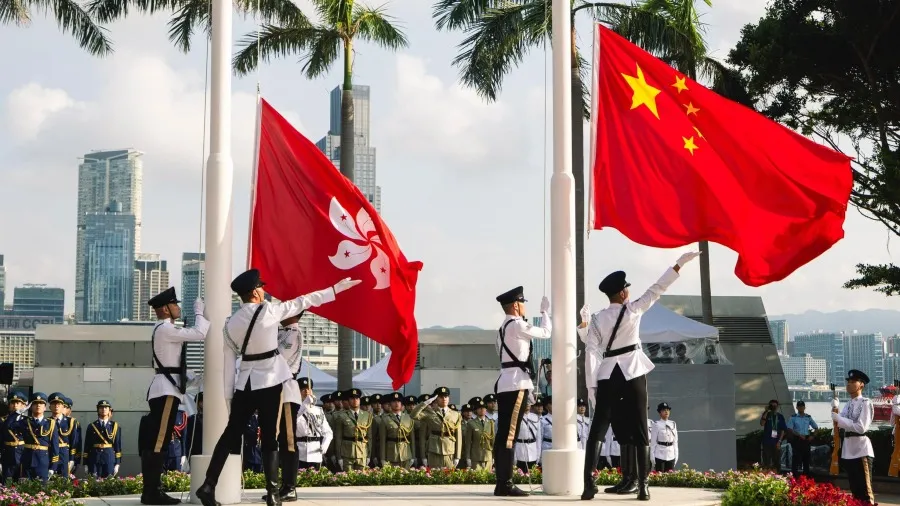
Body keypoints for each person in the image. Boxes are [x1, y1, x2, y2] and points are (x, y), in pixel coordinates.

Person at [195, 269, 360, 506]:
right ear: (254, 292)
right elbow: (305, 301)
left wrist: (229, 399)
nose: (263, 290)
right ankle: (273, 493)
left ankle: (208, 485)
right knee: (270, 438)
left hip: (244, 384)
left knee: (230, 435)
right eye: (260, 287)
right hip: (270, 381)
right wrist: (334, 289)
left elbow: (228, 365)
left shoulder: (230, 324)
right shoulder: (269, 311)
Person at [578, 251, 701, 501]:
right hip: (632, 372)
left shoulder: (598, 319)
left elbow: (591, 352)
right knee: (641, 429)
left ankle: (589, 485)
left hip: (607, 375)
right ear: (622, 293)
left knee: (598, 431)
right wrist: (678, 265)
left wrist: (592, 388)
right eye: (627, 290)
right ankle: (643, 486)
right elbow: (658, 288)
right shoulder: (633, 310)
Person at [143, 286, 209, 505]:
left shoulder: (165, 329)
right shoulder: (164, 328)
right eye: (174, 304)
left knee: (158, 442)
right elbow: (200, 333)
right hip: (165, 391)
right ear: (165, 309)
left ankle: (152, 491)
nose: (178, 307)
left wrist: (192, 378)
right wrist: (199, 312)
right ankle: (152, 492)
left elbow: (172, 363)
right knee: (159, 442)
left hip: (167, 387)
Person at [493, 287, 551, 497]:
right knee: (510, 435)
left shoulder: (502, 328)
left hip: (505, 381)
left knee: (503, 435)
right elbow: (546, 333)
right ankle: (506, 483)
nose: (524, 306)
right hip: (516, 383)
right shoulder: (517, 324)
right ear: (516, 305)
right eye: (523, 302)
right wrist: (545, 313)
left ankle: (501, 483)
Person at [832, 369, 875, 505]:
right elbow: (839, 423)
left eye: (853, 382)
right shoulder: (849, 404)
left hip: (861, 448)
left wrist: (839, 418)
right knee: (855, 489)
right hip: (848, 448)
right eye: (848, 382)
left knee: (865, 490)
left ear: (861, 384)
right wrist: (835, 409)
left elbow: (861, 427)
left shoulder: (865, 403)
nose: (849, 384)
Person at [411, 387, 463, 469]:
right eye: (441, 397)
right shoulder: (430, 413)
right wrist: (425, 403)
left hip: (449, 450)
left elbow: (458, 437)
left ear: (449, 398)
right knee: (435, 476)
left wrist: (458, 456)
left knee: (449, 477)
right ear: (436, 399)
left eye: (446, 397)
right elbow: (413, 415)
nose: (444, 399)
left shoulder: (456, 414)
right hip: (434, 450)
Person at [333, 388, 373, 471]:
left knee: (362, 480)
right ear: (348, 401)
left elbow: (369, 437)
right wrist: (339, 457)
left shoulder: (367, 415)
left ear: (359, 400)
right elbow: (338, 438)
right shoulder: (341, 416)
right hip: (347, 453)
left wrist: (369, 455)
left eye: (357, 398)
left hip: (362, 452)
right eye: (352, 398)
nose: (355, 400)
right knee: (347, 480)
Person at [84, 400, 121, 478]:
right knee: (94, 483)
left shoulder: (115, 426)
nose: (103, 409)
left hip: (109, 458)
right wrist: (85, 463)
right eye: (101, 407)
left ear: (109, 410)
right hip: (94, 458)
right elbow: (87, 445)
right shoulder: (91, 426)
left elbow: (117, 445)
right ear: (98, 410)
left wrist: (117, 463)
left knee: (108, 484)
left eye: (106, 407)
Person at [379, 392, 415, 469]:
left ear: (401, 404)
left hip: (406, 453)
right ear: (390, 404)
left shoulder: (408, 418)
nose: (396, 403)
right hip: (392, 454)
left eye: (398, 401)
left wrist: (413, 456)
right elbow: (383, 440)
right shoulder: (385, 419)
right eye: (394, 401)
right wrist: (383, 458)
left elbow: (412, 439)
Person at [1, 391, 27, 484]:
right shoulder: (4, 420)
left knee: (21, 481)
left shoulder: (26, 420)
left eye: (18, 403)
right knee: (7, 480)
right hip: (7, 452)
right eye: (13, 403)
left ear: (23, 405)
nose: (15, 405)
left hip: (22, 452)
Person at [787, 400, 818, 476]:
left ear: (804, 407)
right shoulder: (793, 417)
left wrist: (812, 436)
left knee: (806, 459)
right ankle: (795, 477)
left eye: (802, 406)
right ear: (797, 407)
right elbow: (790, 429)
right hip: (797, 440)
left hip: (806, 440)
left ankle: (806, 478)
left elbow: (816, 428)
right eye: (799, 406)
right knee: (796, 459)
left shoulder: (808, 417)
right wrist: (799, 435)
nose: (801, 408)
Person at [47, 392, 74, 480]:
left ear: (63, 406)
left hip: (64, 454)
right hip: (49, 453)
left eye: (59, 404)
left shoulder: (70, 422)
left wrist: (72, 459)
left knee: (63, 480)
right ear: (49, 407)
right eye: (54, 404)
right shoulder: (46, 422)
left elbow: (74, 442)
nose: (56, 406)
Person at [464, 399, 495, 470]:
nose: (482, 410)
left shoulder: (490, 423)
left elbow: (493, 441)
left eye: (484, 408)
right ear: (476, 410)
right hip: (476, 456)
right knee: (476, 478)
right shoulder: (471, 423)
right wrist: (468, 457)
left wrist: (494, 456)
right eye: (480, 408)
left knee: (488, 478)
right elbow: (468, 442)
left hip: (488, 455)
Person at [514, 397, 541, 474]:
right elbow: (514, 438)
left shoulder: (535, 417)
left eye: (529, 403)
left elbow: (538, 438)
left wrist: (538, 454)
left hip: (533, 450)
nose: (528, 404)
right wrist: (514, 456)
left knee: (533, 475)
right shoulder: (517, 417)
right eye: (526, 402)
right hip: (520, 450)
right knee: (521, 476)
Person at [649, 402, 678, 472]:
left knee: (670, 477)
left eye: (667, 410)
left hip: (671, 455)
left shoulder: (673, 424)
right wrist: (652, 456)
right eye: (664, 410)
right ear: (660, 413)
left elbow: (675, 442)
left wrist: (676, 455)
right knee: (659, 476)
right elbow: (653, 442)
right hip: (659, 454)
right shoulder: (656, 424)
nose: (666, 412)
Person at [759, 399, 786, 472]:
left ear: (777, 406)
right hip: (767, 441)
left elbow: (783, 430)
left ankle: (778, 476)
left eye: (775, 406)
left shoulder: (780, 416)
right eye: (772, 405)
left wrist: (779, 441)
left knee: (777, 461)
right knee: (766, 461)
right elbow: (762, 424)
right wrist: (766, 411)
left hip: (776, 442)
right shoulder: (766, 415)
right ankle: (766, 476)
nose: (773, 407)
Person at [64, 397, 82, 476]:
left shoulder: (73, 422)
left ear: (69, 410)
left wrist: (74, 459)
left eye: (65, 407)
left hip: (68, 455)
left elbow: (77, 442)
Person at [184, 392, 204, 464]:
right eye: (201, 402)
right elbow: (188, 439)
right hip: (196, 453)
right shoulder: (192, 419)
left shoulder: (212, 420)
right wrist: (187, 455)